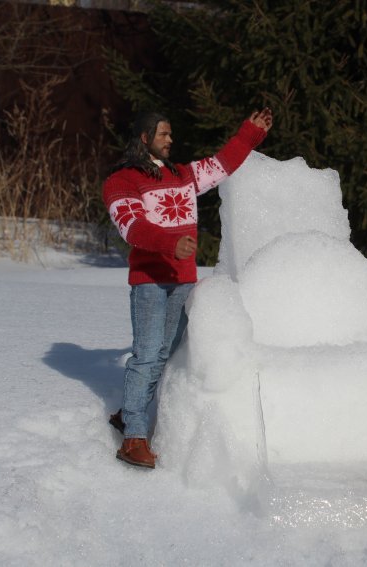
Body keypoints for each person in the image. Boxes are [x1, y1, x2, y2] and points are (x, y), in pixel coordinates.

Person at [102, 108, 273, 468]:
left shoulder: (183, 175)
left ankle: (127, 413)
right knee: (147, 355)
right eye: (163, 133)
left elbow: (222, 165)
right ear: (144, 138)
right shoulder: (122, 180)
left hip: (181, 282)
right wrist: (170, 243)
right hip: (149, 282)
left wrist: (250, 134)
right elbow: (131, 227)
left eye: (170, 133)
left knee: (162, 354)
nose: (170, 139)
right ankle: (133, 437)